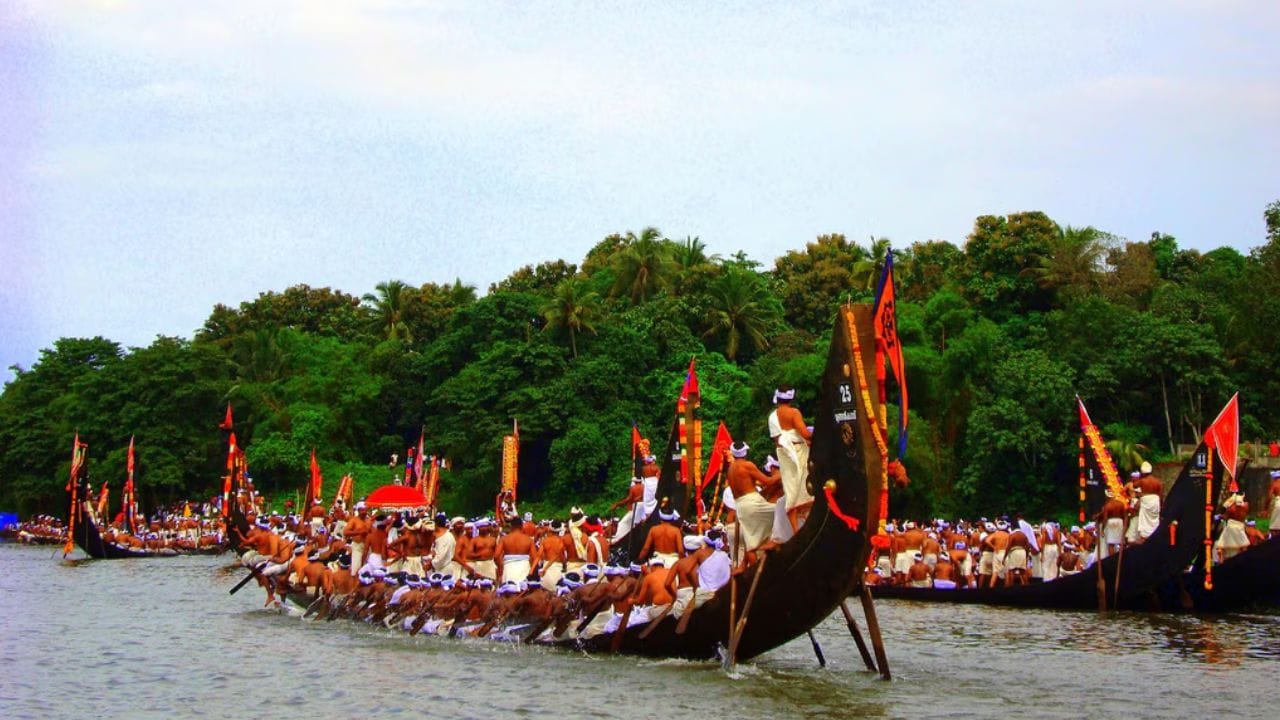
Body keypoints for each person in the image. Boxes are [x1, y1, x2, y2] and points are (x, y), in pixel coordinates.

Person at [768, 385, 813, 533]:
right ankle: (799, 528)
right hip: (796, 451)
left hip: (783, 453)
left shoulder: (772, 416)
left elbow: (776, 438)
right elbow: (805, 434)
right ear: (791, 398)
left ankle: (795, 530)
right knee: (803, 488)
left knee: (791, 490)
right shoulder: (794, 412)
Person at [724, 442, 777, 561]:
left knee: (751, 543)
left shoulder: (730, 469)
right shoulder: (747, 465)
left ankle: (752, 568)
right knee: (781, 510)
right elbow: (767, 481)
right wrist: (782, 475)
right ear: (745, 452)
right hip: (752, 502)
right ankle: (776, 541)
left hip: (741, 505)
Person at [495, 517, 536, 583]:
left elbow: (496, 556)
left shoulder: (504, 539)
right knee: (524, 591)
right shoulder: (529, 540)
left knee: (507, 590)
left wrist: (500, 568)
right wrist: (531, 570)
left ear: (511, 526)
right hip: (524, 567)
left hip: (508, 567)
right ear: (522, 526)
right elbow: (534, 558)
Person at [1215, 490, 1250, 561]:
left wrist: (1219, 516)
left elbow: (1225, 516)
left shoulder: (1231, 508)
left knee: (1221, 546)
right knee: (1243, 546)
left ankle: (1222, 561)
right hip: (1240, 527)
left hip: (1231, 527)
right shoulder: (1246, 505)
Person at [1133, 462, 1162, 542]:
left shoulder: (1142, 481)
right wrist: (1161, 506)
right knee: (1154, 521)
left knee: (1145, 523)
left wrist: (1139, 477)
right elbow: (1161, 495)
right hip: (1156, 501)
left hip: (1146, 501)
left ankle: (1145, 539)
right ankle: (1154, 537)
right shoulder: (1158, 482)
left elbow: (1134, 485)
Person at [344, 502, 371, 576]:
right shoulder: (354, 520)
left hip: (368, 547)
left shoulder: (369, 520)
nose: (364, 512)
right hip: (357, 546)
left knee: (368, 569)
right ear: (358, 511)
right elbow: (345, 532)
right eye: (362, 510)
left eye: (366, 510)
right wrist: (359, 532)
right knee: (356, 568)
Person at [1269, 470, 1280, 539]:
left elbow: (1269, 496)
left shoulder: (1274, 484)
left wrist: (1265, 507)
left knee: (1274, 526)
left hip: (1278, 504)